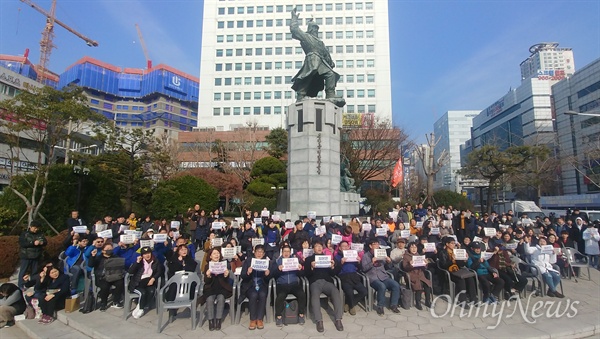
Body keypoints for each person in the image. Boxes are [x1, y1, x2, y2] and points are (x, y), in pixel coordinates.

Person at [289, 8, 344, 106]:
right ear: (310, 29)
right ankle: (301, 95)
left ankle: (330, 94)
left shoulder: (320, 42)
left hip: (321, 62)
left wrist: (331, 62)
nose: (316, 30)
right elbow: (295, 30)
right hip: (312, 59)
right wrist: (294, 19)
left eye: (316, 28)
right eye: (314, 28)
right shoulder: (306, 37)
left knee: (330, 74)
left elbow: (326, 54)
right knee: (309, 74)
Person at [304, 241, 343, 332]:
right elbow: (306, 274)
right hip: (315, 282)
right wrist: (311, 268)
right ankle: (319, 321)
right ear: (313, 249)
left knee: (335, 292)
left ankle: (338, 319)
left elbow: (333, 274)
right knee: (315, 296)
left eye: (320, 246)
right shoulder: (309, 259)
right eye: (317, 246)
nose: (319, 248)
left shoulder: (327, 258)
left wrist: (333, 267)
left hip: (327, 282)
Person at [362, 239, 401, 316]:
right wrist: (371, 263)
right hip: (372, 277)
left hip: (383, 276)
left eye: (377, 244)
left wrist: (389, 262)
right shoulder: (365, 256)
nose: (377, 246)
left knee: (396, 285)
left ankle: (393, 305)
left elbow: (388, 267)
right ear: (370, 246)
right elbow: (363, 269)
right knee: (382, 286)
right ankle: (380, 306)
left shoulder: (382, 253)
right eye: (375, 244)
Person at [271, 244, 306, 326]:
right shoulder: (277, 261)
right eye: (284, 251)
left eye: (288, 251)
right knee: (280, 296)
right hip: (282, 284)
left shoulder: (295, 260)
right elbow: (273, 274)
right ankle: (279, 316)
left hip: (294, 284)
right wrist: (278, 270)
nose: (286, 253)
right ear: (281, 252)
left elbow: (301, 275)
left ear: (290, 252)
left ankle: (301, 315)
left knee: (302, 294)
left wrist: (300, 269)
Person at [437, 236, 478, 307]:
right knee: (461, 280)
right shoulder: (443, 252)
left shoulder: (456, 251)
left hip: (458, 270)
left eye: (454, 244)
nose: (453, 245)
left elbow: (460, 264)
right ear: (447, 244)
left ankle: (473, 298)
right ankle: (462, 300)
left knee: (470, 278)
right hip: (449, 272)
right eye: (452, 243)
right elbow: (443, 265)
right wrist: (452, 261)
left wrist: (465, 260)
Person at [199, 247, 232, 331]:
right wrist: (208, 275)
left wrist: (226, 275)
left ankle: (218, 320)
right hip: (211, 288)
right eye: (214, 254)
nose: (216, 255)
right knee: (209, 299)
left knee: (221, 298)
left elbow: (226, 280)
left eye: (217, 253)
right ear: (210, 256)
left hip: (222, 287)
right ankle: (210, 320)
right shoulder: (207, 266)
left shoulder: (224, 264)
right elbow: (206, 281)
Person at [240, 245, 270, 330]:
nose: (259, 253)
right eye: (258, 251)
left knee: (262, 294)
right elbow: (243, 276)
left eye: (261, 252)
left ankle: (259, 318)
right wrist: (248, 273)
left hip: (262, 284)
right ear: (254, 252)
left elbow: (269, 278)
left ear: (264, 253)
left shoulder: (266, 262)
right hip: (250, 285)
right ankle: (253, 319)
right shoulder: (248, 261)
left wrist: (267, 274)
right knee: (253, 295)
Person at [88, 242, 125, 310]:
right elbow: (90, 264)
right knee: (105, 286)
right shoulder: (99, 258)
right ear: (103, 250)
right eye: (107, 249)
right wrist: (93, 256)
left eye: (111, 249)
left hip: (114, 277)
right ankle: (103, 303)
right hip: (102, 277)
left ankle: (116, 301)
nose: (109, 250)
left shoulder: (115, 257)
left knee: (120, 283)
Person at [127, 247, 162, 319]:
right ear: (142, 255)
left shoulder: (155, 261)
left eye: (148, 253)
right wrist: (137, 262)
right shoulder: (140, 262)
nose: (147, 255)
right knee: (143, 293)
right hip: (137, 283)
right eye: (145, 254)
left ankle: (139, 306)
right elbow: (130, 271)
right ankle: (141, 309)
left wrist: (153, 278)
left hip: (149, 282)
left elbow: (159, 271)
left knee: (152, 291)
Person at [166, 244, 198, 322]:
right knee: (173, 287)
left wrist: (185, 265)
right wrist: (179, 263)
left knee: (192, 286)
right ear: (178, 252)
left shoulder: (190, 259)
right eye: (181, 250)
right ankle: (171, 309)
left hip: (188, 281)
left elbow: (191, 270)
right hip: (177, 281)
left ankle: (191, 305)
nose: (184, 251)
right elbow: (172, 270)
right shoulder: (173, 260)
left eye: (185, 249)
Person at [335, 241, 367, 316]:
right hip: (344, 277)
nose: (345, 248)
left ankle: (349, 304)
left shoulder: (353, 255)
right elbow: (335, 271)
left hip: (354, 276)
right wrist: (341, 263)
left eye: (347, 246)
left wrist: (359, 262)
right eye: (343, 246)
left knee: (364, 291)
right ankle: (352, 307)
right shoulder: (337, 257)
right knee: (349, 292)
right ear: (339, 248)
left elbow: (360, 269)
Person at [402, 242, 432, 310]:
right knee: (418, 285)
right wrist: (410, 265)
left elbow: (424, 268)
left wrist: (425, 264)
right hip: (411, 275)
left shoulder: (419, 255)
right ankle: (418, 302)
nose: (413, 249)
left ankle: (428, 301)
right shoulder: (406, 256)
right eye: (412, 247)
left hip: (420, 274)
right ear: (409, 249)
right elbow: (405, 268)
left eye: (415, 247)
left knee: (427, 284)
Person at [18, 220, 47, 289]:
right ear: (30, 227)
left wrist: (41, 243)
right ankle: (21, 285)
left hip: (36, 255)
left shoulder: (40, 234)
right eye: (34, 228)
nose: (36, 229)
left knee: (35, 271)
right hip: (26, 255)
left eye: (37, 228)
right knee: (23, 271)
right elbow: (22, 244)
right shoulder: (25, 234)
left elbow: (45, 242)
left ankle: (33, 283)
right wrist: (33, 243)